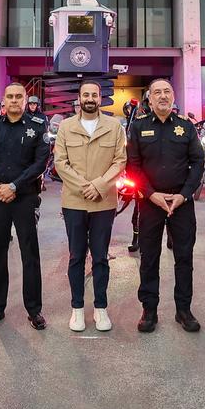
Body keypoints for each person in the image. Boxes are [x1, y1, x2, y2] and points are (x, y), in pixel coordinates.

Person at [126, 78, 205, 333]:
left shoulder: (186, 127)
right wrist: (151, 194)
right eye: (157, 92)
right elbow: (133, 165)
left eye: (167, 91)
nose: (162, 96)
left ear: (173, 97)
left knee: (184, 257)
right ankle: (149, 310)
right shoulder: (138, 127)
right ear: (149, 98)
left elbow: (198, 162)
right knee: (149, 257)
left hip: (181, 203)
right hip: (150, 202)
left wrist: (183, 195)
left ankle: (183, 310)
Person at [0, 83, 51, 330]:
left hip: (25, 198)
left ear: (26, 99)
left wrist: (14, 186)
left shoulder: (38, 127)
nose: (14, 100)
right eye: (10, 97)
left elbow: (40, 162)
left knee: (30, 255)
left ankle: (34, 310)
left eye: (19, 96)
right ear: (3, 101)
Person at [54, 80, 127, 332]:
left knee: (100, 257)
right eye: (85, 94)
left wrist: (98, 185)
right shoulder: (66, 126)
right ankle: (76, 309)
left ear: (100, 98)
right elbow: (60, 163)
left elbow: (120, 161)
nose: (90, 98)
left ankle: (100, 308)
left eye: (94, 95)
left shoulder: (114, 126)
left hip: (103, 202)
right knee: (76, 256)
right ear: (79, 98)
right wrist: (84, 185)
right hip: (74, 201)